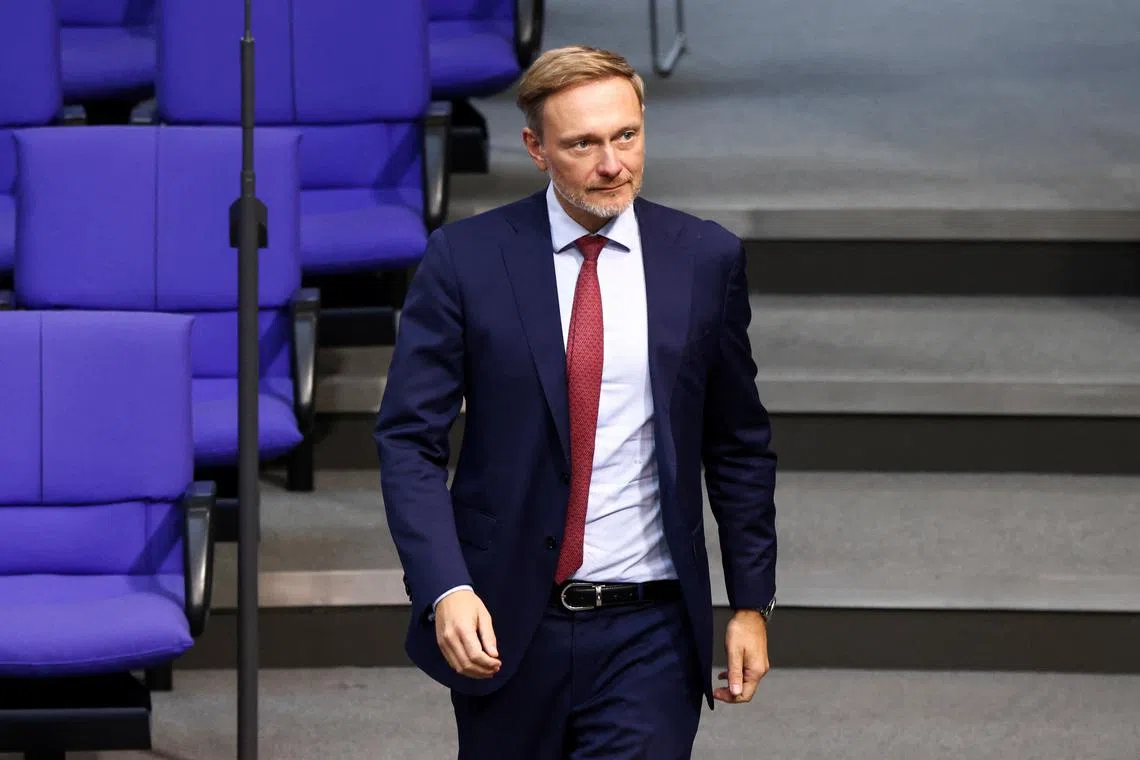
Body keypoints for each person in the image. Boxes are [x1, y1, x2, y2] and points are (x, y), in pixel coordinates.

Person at [375, 44, 778, 759]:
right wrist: (446, 588)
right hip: (505, 620)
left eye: (626, 136)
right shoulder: (466, 260)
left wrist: (751, 601)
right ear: (535, 147)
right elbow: (409, 439)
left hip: (650, 628)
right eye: (583, 144)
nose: (613, 164)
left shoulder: (704, 258)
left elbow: (737, 440)